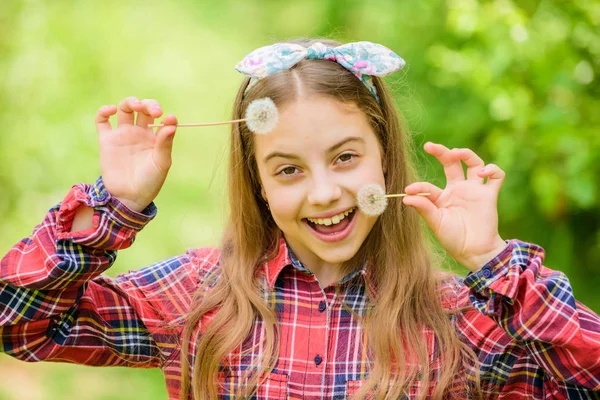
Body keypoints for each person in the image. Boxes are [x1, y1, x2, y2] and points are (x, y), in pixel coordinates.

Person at [1, 38, 599, 400]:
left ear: (385, 159)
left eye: (345, 157)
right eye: (287, 170)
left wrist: (494, 265)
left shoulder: (460, 321)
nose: (323, 193)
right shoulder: (202, 298)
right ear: (257, 183)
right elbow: (19, 323)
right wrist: (116, 203)